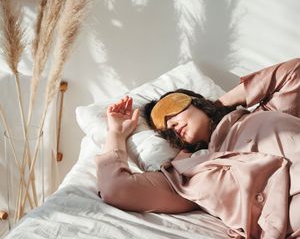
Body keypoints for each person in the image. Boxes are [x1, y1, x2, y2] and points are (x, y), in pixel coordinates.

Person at [95, 58, 300, 238]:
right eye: (165, 129)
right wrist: (116, 134)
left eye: (171, 112)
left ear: (196, 102)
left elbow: (295, 71)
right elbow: (117, 189)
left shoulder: (265, 111)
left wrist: (218, 104)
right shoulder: (184, 179)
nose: (171, 125)